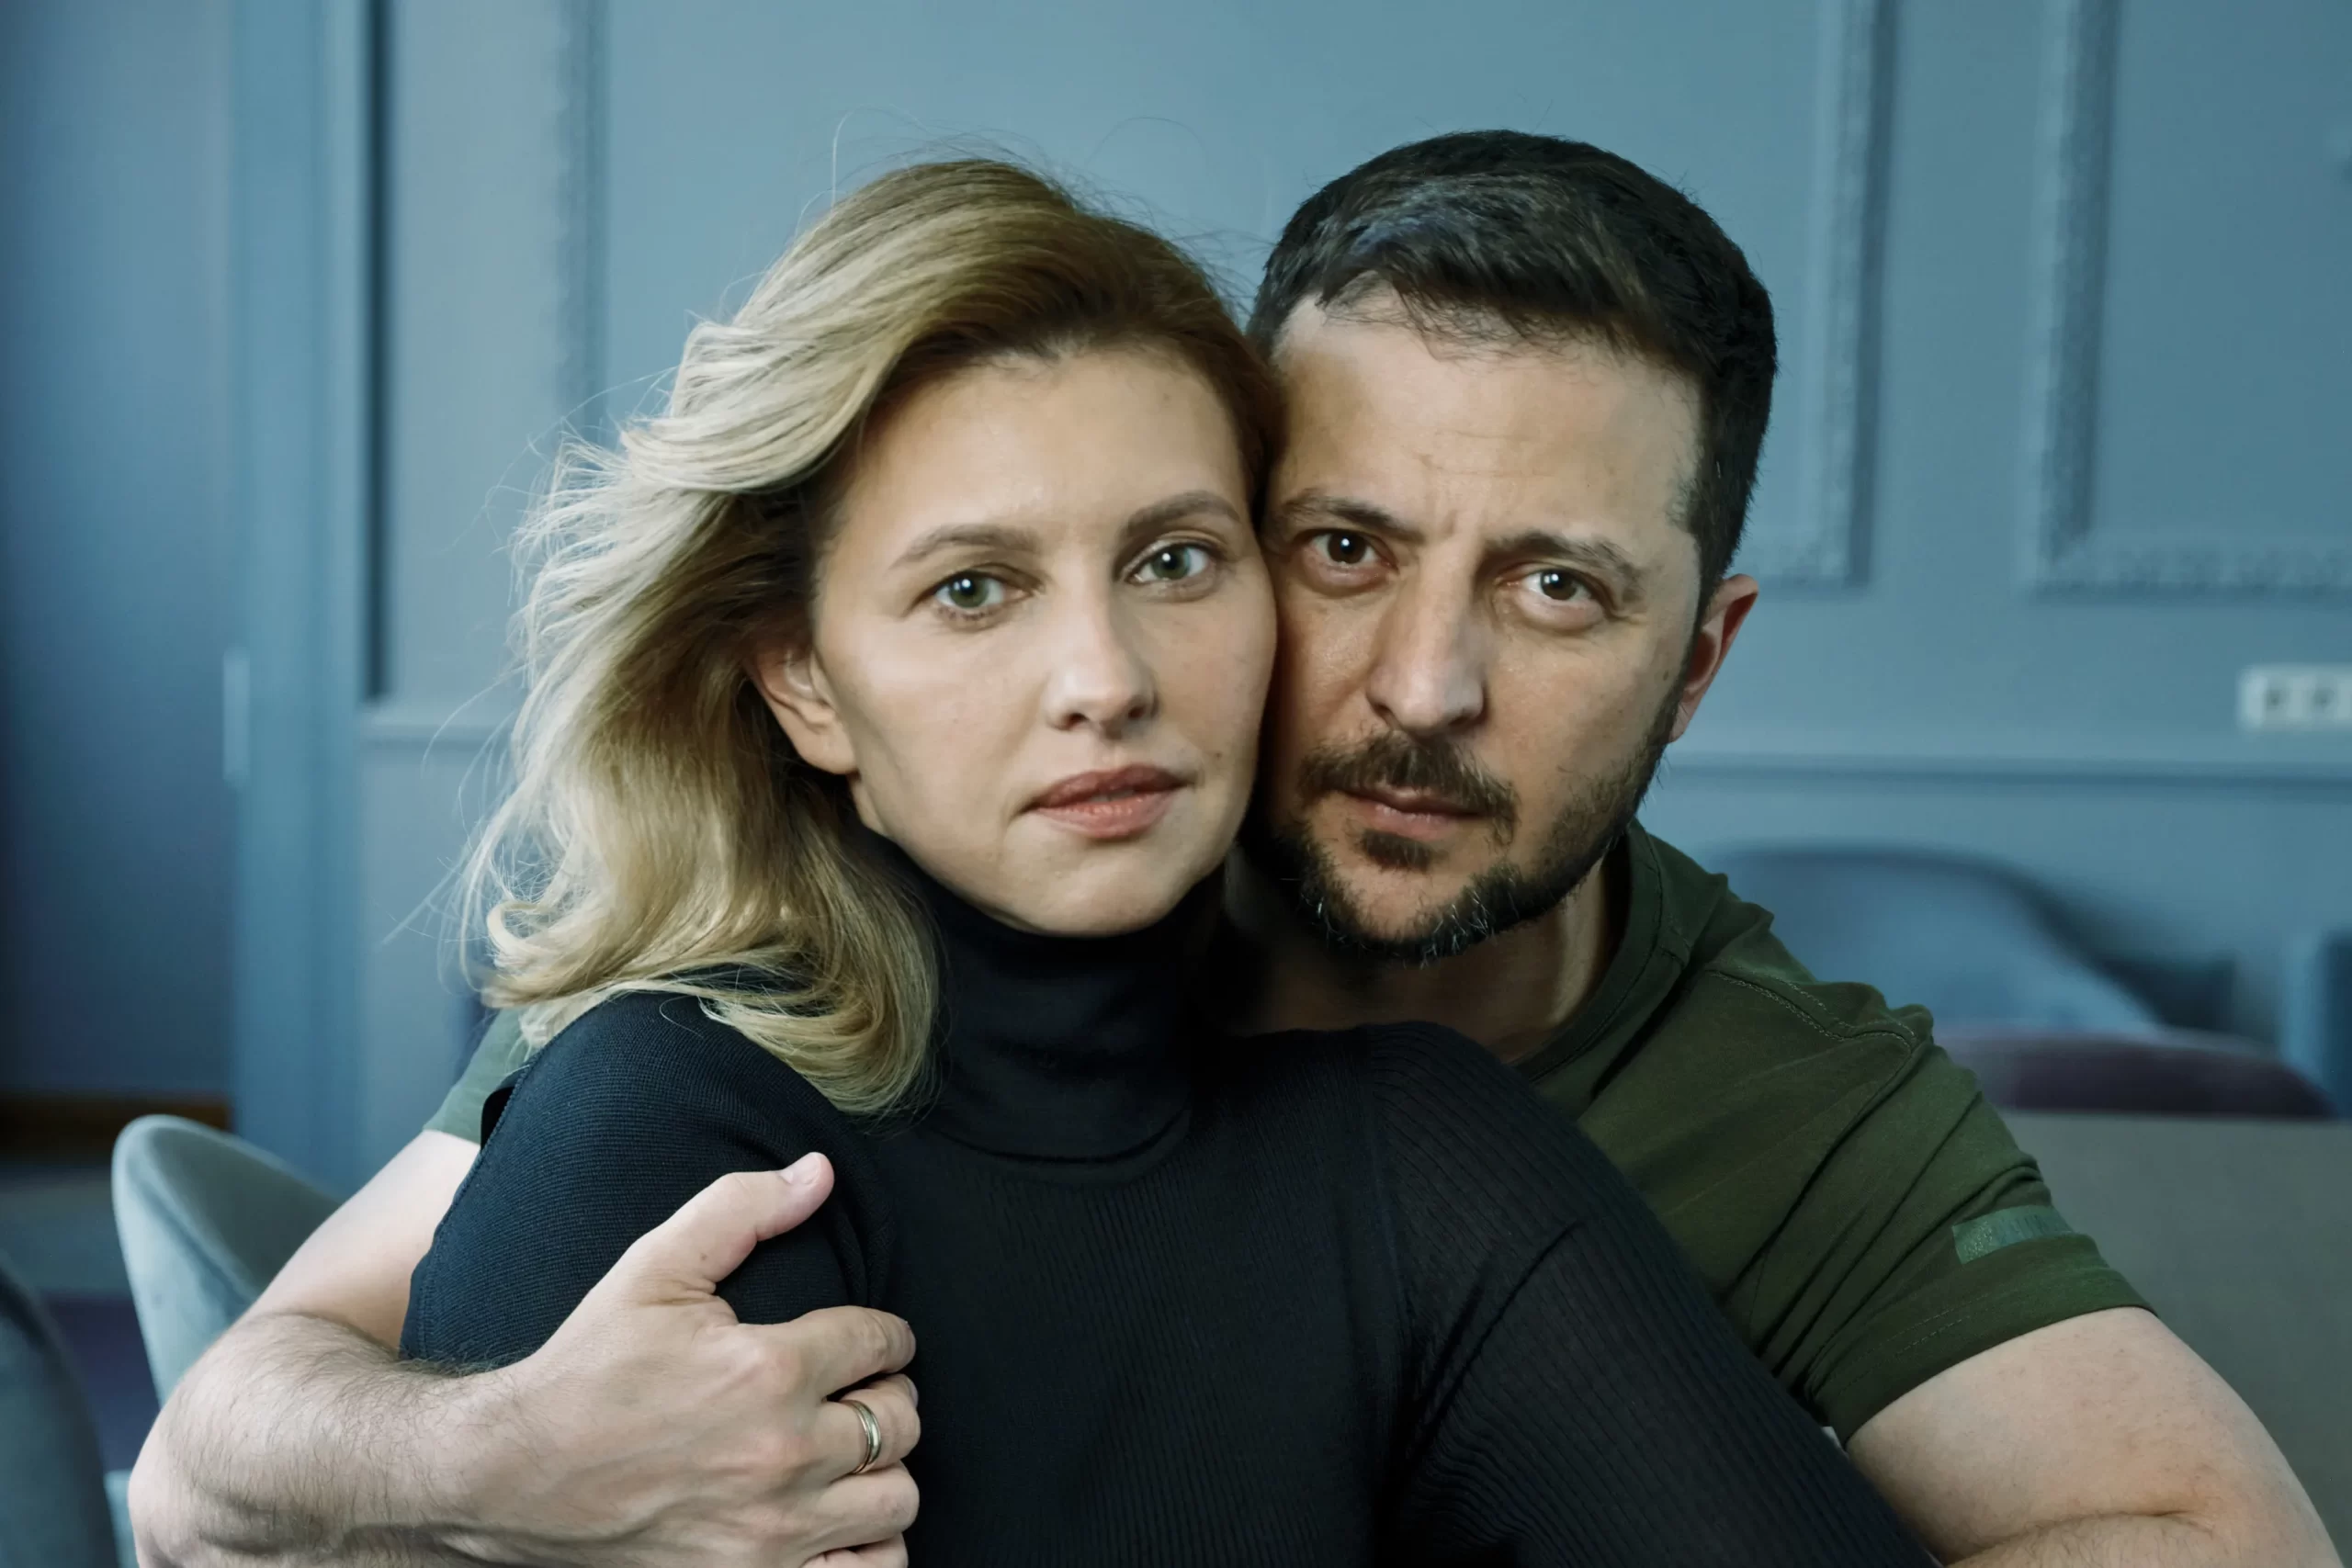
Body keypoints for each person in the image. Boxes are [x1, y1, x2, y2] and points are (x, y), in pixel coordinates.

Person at [129, 134, 2338, 1568]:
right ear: (805, 684)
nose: (1420, 686)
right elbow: (222, 1447)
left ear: (1694, 660)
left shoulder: (1471, 1148)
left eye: (1554, 587)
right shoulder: (730, 1043)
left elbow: (2209, 1534)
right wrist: (486, 1458)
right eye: (1342, 548)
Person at [395, 155, 1923, 1564]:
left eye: (1173, 561)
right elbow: (260, 1423)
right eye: (975, 588)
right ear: (804, 681)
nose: (1106, 678)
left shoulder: (1420, 1152)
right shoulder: (676, 1113)